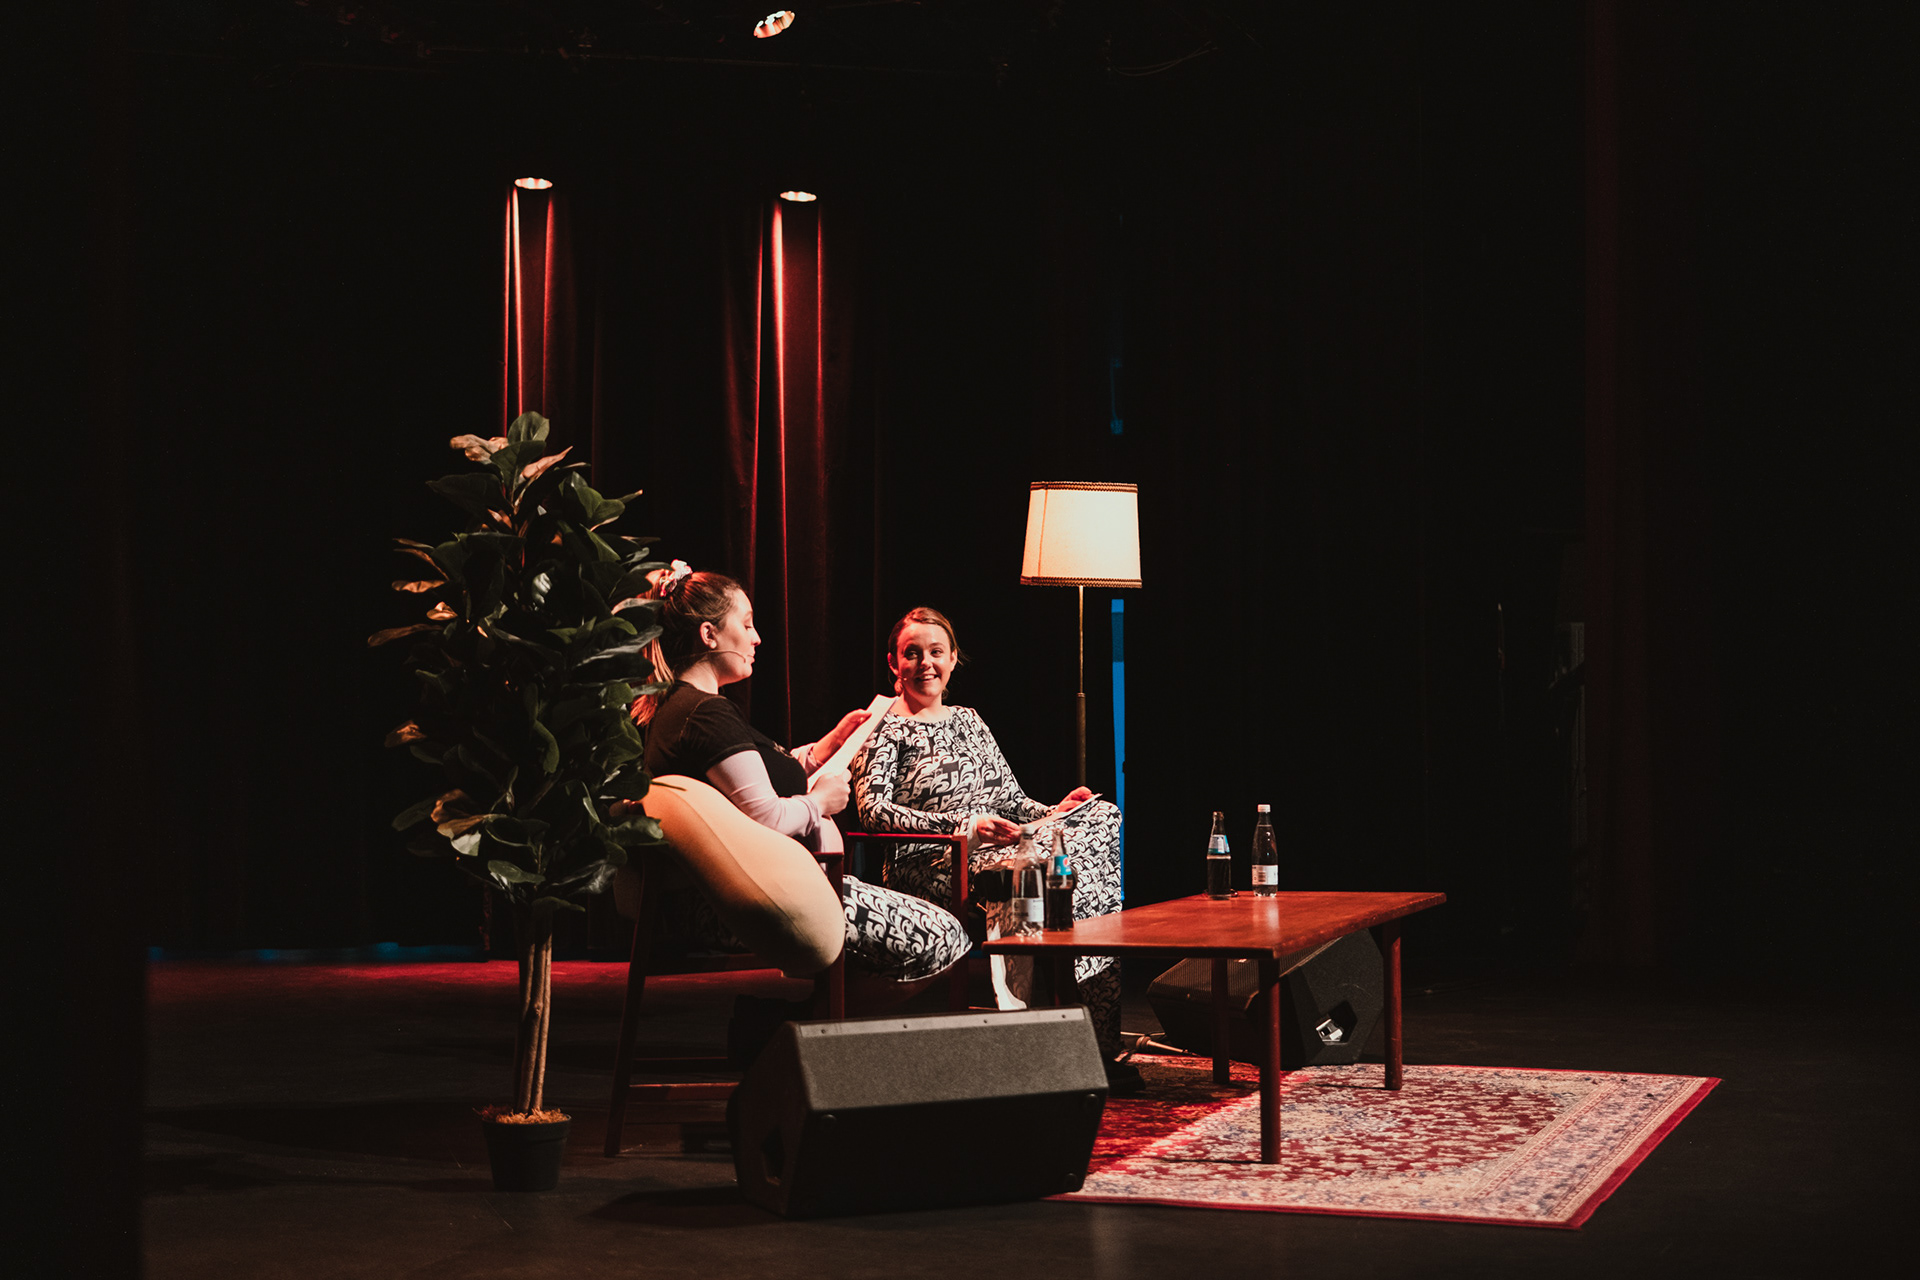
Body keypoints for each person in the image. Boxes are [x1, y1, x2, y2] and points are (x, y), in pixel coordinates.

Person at [631, 565, 970, 1011]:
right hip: (740, 904)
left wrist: (826, 746)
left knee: (908, 942)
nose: (756, 639)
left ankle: (788, 1027)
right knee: (948, 935)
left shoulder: (681, 707)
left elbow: (756, 779)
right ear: (709, 635)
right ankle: (791, 1030)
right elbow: (766, 817)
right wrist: (819, 802)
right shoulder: (707, 715)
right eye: (746, 625)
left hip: (718, 898)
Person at [850, 606, 1135, 1084]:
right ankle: (1040, 1040)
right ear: (893, 662)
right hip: (933, 863)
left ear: (953, 658)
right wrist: (965, 825)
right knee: (1033, 873)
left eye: (936, 652)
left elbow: (1012, 802)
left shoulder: (970, 720)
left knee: (1102, 815)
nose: (925, 663)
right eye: (912, 653)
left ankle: (1094, 1038)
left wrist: (1056, 811)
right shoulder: (881, 727)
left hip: (1005, 851)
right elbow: (872, 812)